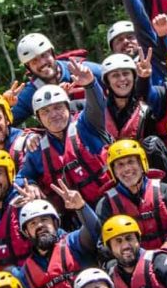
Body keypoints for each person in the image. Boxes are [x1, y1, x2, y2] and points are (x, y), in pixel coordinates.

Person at [15, 62, 113, 210]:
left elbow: (97, 104)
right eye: (45, 111)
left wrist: (90, 84)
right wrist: (31, 186)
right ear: (39, 118)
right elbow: (22, 177)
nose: (53, 115)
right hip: (80, 215)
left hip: (112, 199)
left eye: (58, 107)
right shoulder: (38, 149)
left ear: (68, 107)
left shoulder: (87, 124)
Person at [96, 139, 167, 253]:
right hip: (133, 261)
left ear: (142, 164)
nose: (126, 169)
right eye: (120, 165)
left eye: (131, 162)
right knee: (112, 265)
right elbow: (103, 245)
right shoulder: (106, 204)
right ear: (113, 171)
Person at [17, 189, 100, 288]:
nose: (40, 225)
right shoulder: (24, 273)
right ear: (26, 232)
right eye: (33, 223)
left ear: (55, 223)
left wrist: (81, 207)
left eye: (44, 219)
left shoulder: (73, 242)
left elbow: (96, 232)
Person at [4, 32, 102, 127]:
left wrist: (90, 82)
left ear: (52, 53)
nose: (42, 63)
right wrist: (3, 105)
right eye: (34, 61)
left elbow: (115, 77)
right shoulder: (31, 93)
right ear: (28, 67)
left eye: (44, 55)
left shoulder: (81, 71)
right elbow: (3, 126)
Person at [99, 51, 167, 172]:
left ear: (134, 77)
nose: (121, 79)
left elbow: (146, 93)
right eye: (115, 75)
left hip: (144, 166)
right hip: (114, 168)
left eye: (126, 74)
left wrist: (145, 78)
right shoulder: (99, 111)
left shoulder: (146, 108)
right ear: (107, 82)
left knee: (152, 144)